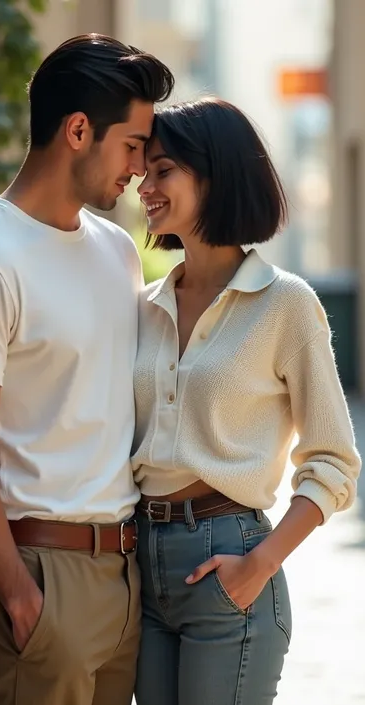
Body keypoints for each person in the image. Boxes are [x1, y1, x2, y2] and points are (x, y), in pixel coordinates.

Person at [0, 34, 174, 705]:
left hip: (122, 575)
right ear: (79, 130)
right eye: (131, 146)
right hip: (36, 572)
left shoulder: (117, 251)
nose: (141, 169)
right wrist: (20, 594)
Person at [132, 96, 362, 705]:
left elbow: (334, 463)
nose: (144, 186)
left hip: (226, 557)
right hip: (138, 564)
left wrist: (258, 565)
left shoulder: (286, 305)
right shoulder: (143, 306)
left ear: (216, 174)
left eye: (163, 170)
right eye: (143, 171)